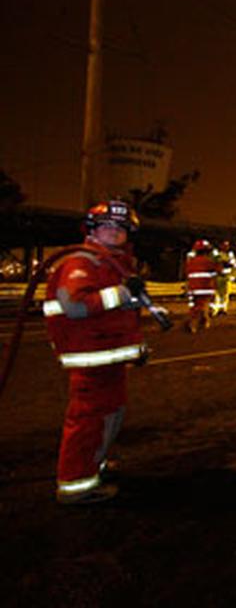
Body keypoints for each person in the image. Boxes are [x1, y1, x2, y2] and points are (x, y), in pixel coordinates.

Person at [43, 200, 146, 504]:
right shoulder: (81, 262)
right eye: (107, 226)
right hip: (90, 358)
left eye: (121, 228)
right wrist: (123, 293)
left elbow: (115, 312)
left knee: (109, 417)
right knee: (89, 420)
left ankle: (94, 465)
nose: (114, 232)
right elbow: (75, 306)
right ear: (92, 229)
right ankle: (76, 485)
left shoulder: (112, 264)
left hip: (109, 357)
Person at [185, 239, 218, 333]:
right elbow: (216, 271)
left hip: (193, 288)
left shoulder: (191, 261)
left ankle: (202, 321)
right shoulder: (208, 261)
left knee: (196, 306)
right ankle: (195, 323)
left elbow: (187, 274)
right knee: (202, 306)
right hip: (205, 288)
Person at [211, 240, 234, 316]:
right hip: (218, 276)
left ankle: (223, 309)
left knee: (224, 294)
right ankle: (214, 310)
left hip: (226, 277)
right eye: (224, 245)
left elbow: (233, 264)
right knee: (216, 294)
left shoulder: (230, 254)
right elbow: (215, 263)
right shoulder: (217, 254)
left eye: (227, 245)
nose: (226, 247)